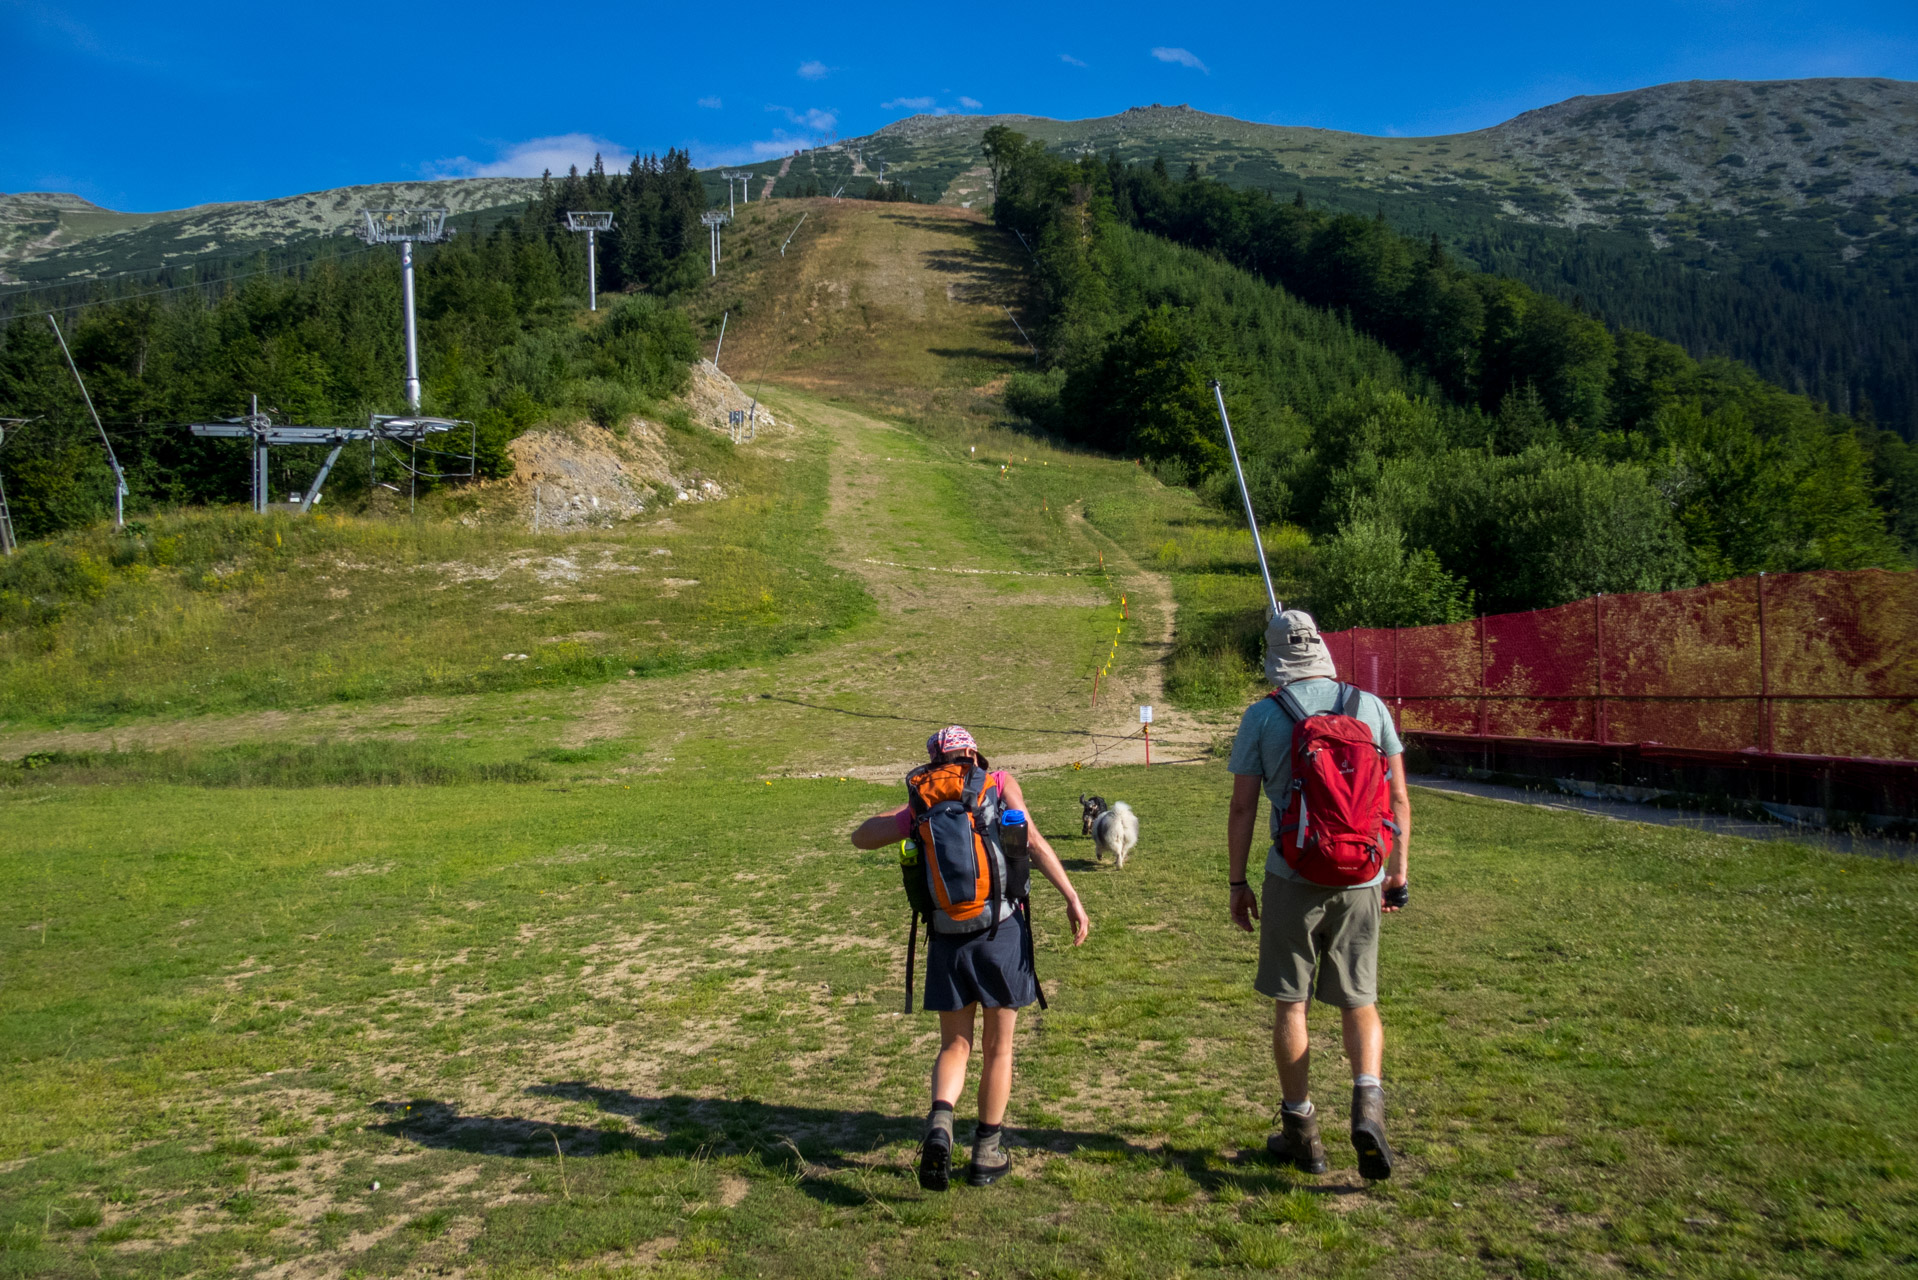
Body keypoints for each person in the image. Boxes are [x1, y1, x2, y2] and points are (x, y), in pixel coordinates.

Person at [850, 725, 1091, 1190]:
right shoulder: (999, 784)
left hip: (946, 936)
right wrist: (1072, 897)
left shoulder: (922, 802)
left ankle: (940, 1125)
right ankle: (987, 1151)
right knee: (999, 1047)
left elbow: (861, 838)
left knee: (954, 1046)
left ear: (935, 760)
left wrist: (905, 815)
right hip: (1001, 930)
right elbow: (1035, 843)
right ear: (974, 754)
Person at [1226, 609, 1412, 1180]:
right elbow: (1399, 801)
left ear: (1275, 656)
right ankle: (1368, 1103)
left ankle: (1302, 1131)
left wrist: (1238, 883)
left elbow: (1243, 807)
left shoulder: (1263, 716)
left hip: (1291, 874)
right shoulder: (1371, 707)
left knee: (1292, 1002)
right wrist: (1396, 874)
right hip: (1361, 876)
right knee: (1360, 998)